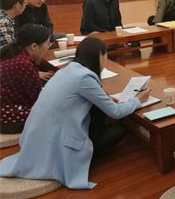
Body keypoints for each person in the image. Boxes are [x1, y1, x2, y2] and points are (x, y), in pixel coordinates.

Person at [0, 37, 150, 189]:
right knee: (119, 129)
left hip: (37, 137)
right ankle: (83, 156)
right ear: (100, 55)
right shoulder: (85, 78)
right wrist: (138, 100)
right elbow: (116, 112)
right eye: (105, 56)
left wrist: (104, 98)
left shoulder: (68, 70)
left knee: (97, 110)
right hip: (59, 144)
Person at [0, 24, 51, 134]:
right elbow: (37, 100)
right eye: (47, 44)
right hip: (9, 119)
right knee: (56, 114)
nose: (48, 48)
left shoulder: (15, 54)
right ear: (34, 46)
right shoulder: (23, 64)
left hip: (6, 111)